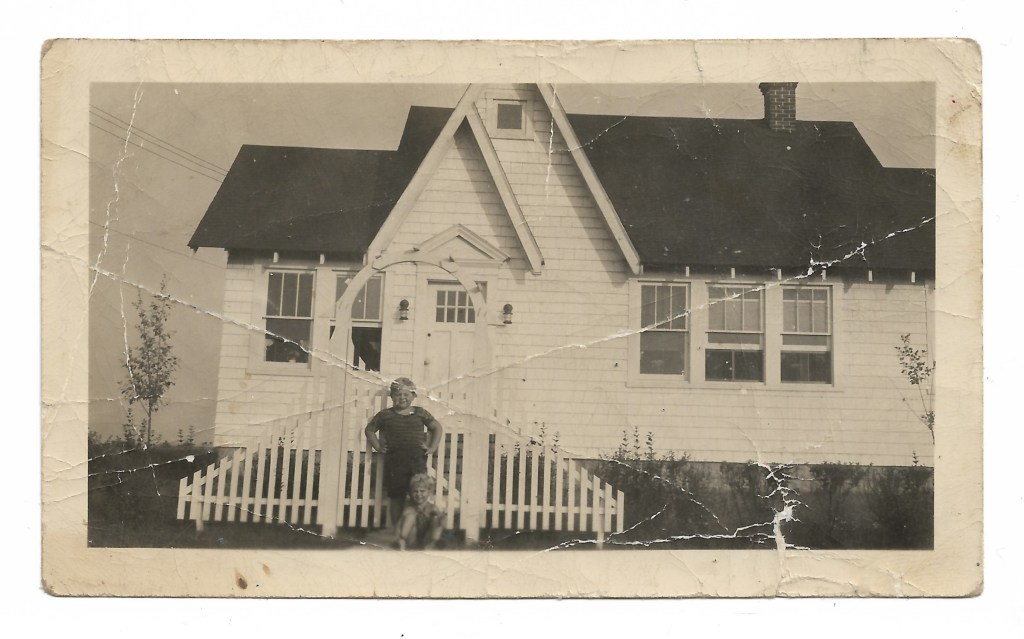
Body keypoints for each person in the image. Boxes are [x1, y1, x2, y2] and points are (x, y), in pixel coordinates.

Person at [364, 377, 443, 530]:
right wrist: (378, 446)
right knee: (397, 498)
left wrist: (432, 447)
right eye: (398, 394)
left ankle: (418, 529)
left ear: (413, 396)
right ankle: (398, 531)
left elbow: (437, 428)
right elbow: (369, 430)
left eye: (406, 394)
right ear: (392, 396)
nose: (402, 397)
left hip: (417, 461)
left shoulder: (420, 413)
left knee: (419, 495)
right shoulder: (385, 415)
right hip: (395, 463)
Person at [395, 473, 445, 550]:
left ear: (429, 492)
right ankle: (403, 546)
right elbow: (399, 528)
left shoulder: (432, 508)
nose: (419, 494)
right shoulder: (408, 508)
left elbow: (439, 527)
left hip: (427, 541)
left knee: (435, 518)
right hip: (411, 541)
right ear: (410, 493)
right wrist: (400, 539)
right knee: (410, 515)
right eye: (415, 491)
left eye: (422, 491)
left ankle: (430, 547)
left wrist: (438, 518)